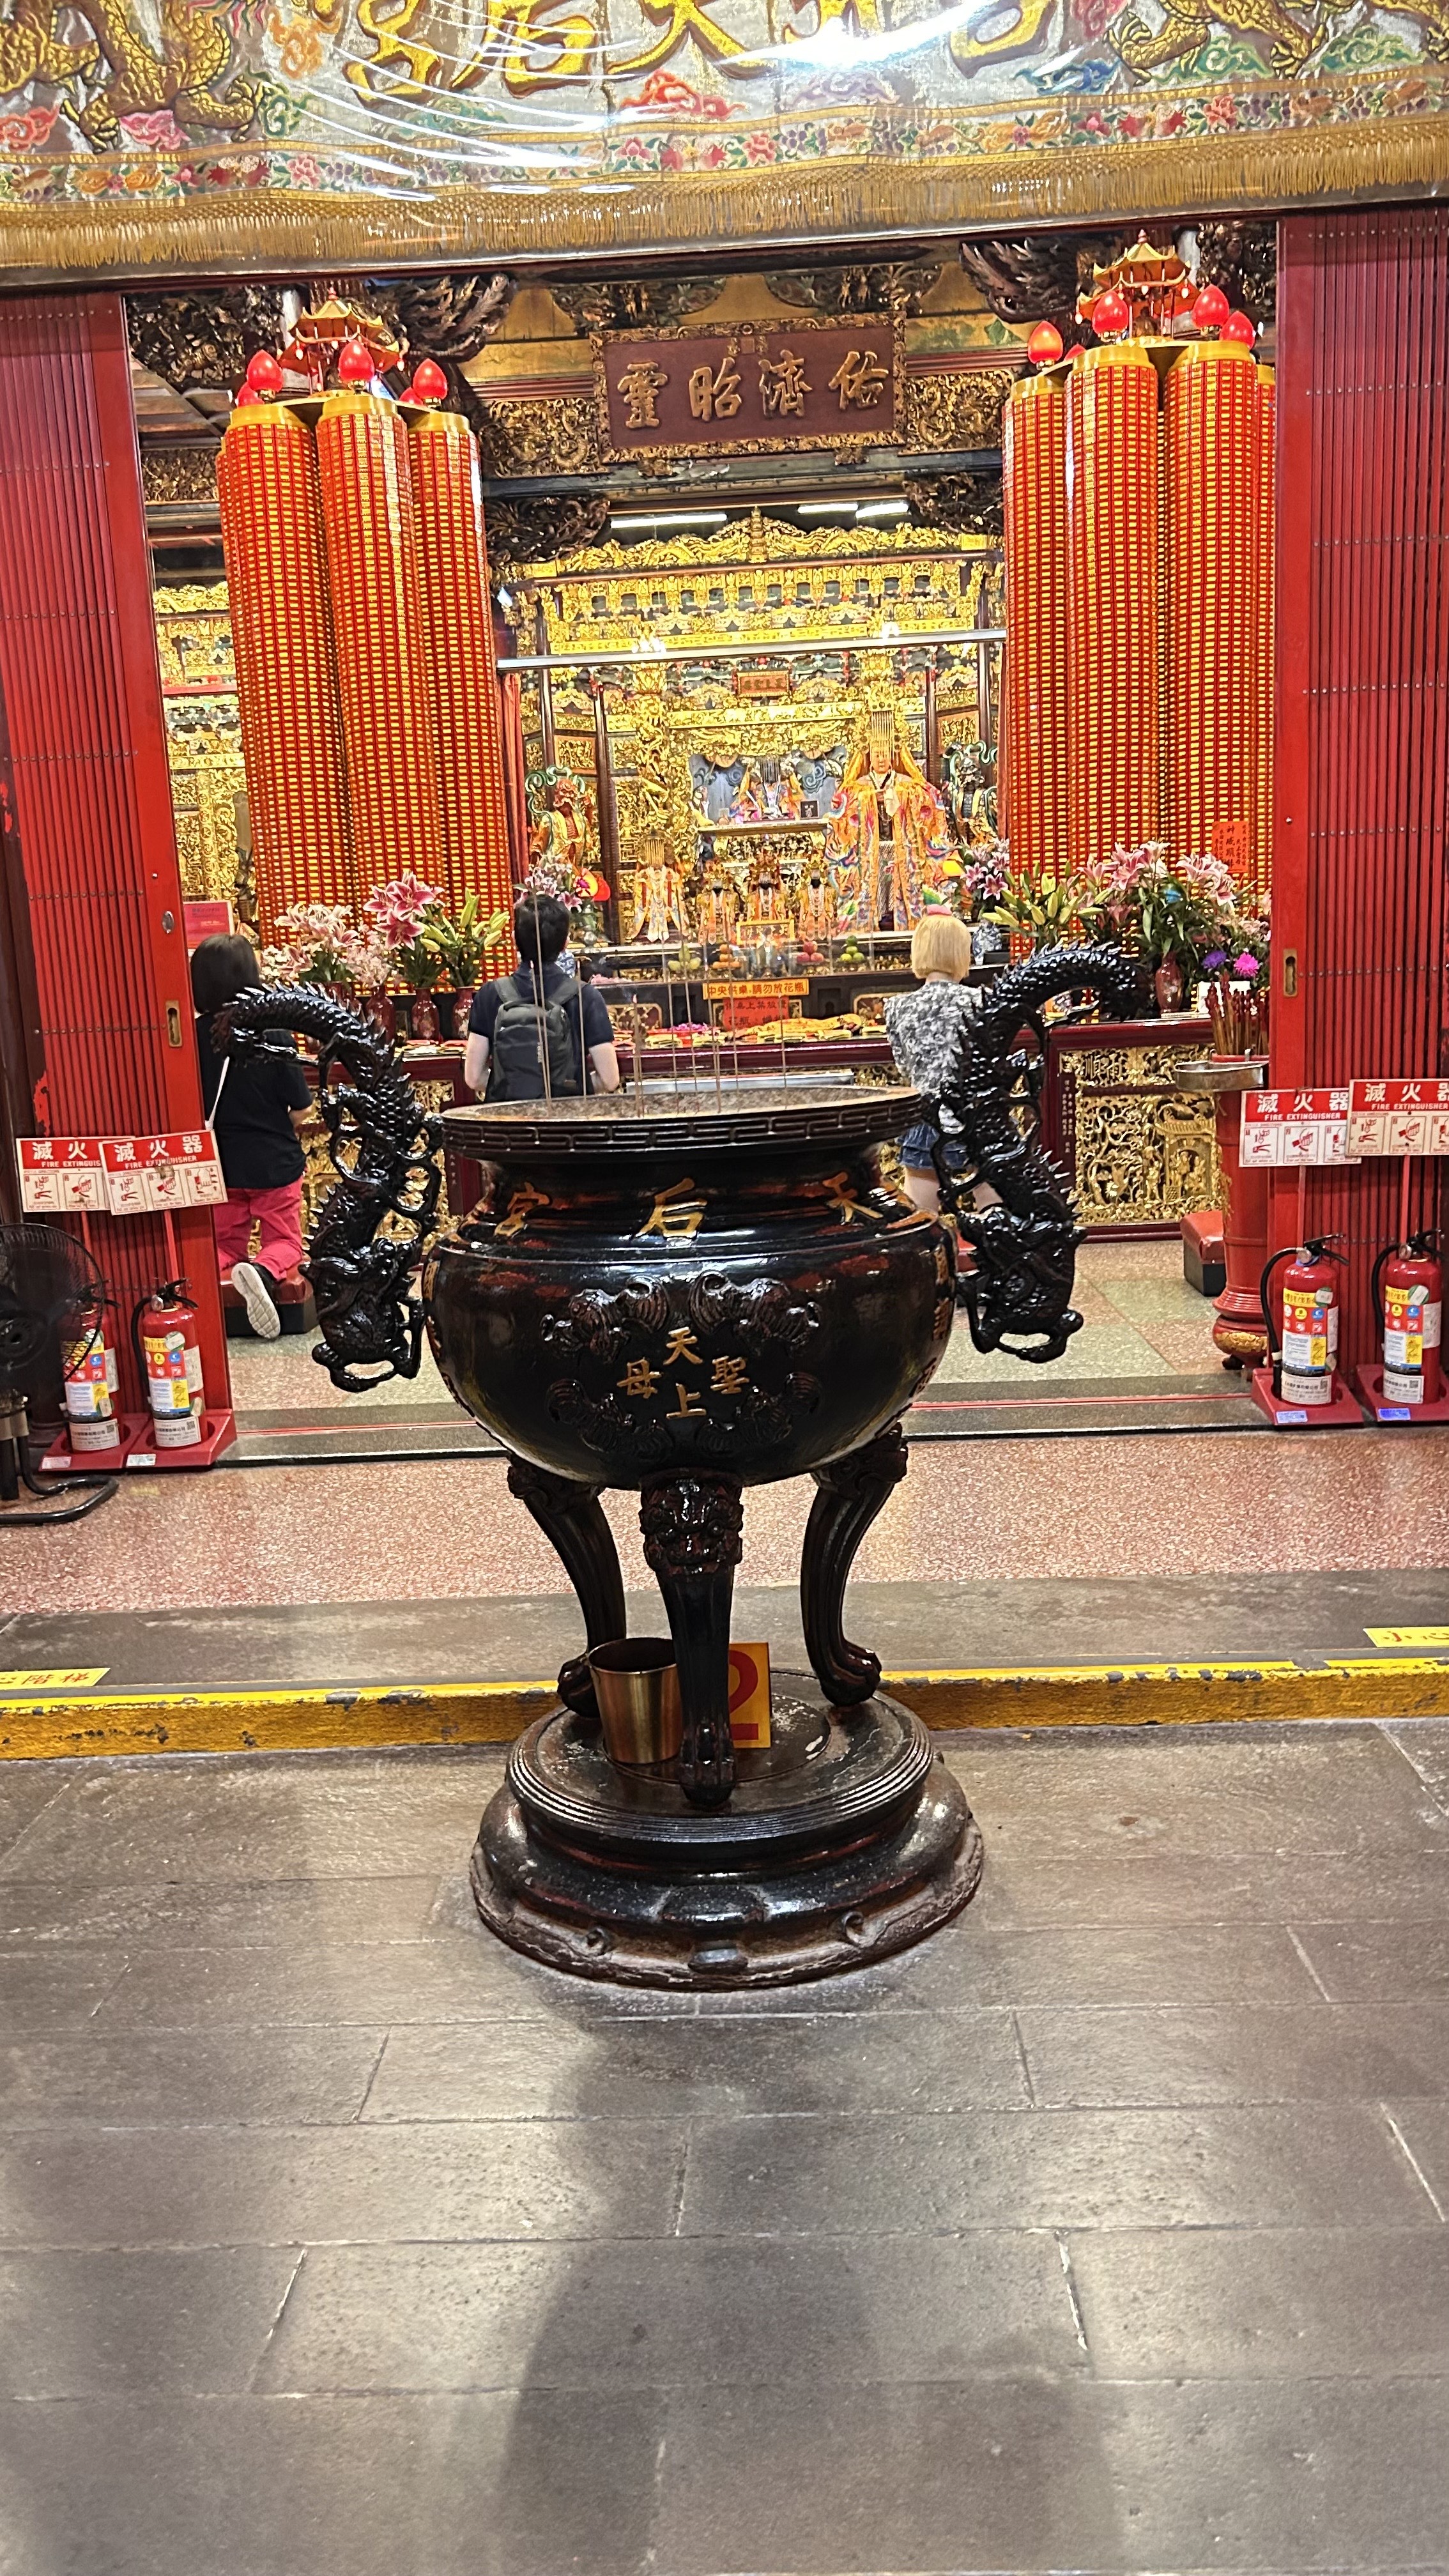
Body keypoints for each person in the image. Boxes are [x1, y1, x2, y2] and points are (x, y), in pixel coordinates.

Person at [190, 932, 312, 1340]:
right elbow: (302, 1108)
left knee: (225, 1242)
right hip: (274, 1162)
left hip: (221, 1165)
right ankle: (262, 1270)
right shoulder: (274, 1032)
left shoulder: (192, 1038)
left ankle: (224, 1286)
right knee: (286, 1241)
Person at [464, 894, 620, 1101]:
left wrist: (510, 1090)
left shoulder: (489, 995)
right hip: (568, 1124)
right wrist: (571, 1090)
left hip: (507, 1124)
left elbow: (473, 1078)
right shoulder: (586, 997)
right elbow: (610, 1080)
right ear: (565, 944)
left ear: (514, 940)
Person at [884, 910, 981, 1215]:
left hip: (925, 1120)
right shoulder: (980, 1001)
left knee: (920, 1222)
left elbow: (903, 1066)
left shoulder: (897, 1007)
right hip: (975, 1119)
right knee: (998, 1218)